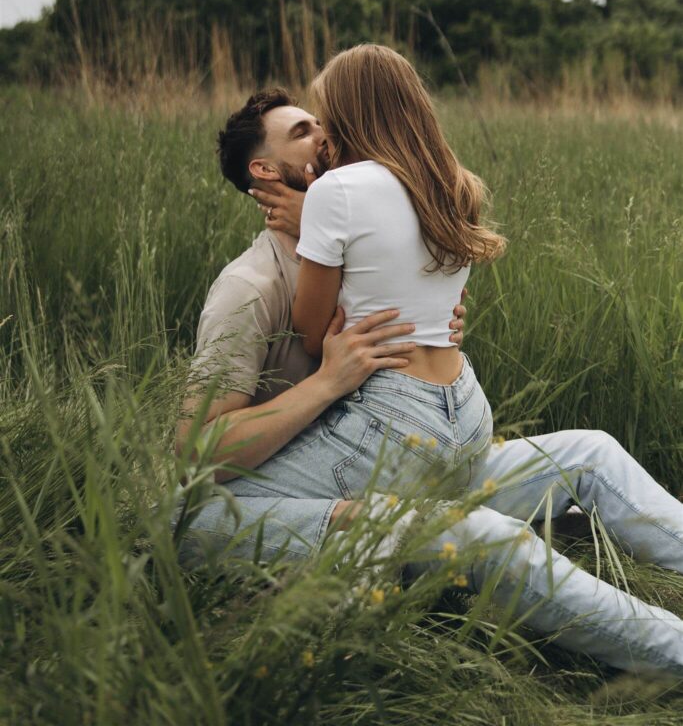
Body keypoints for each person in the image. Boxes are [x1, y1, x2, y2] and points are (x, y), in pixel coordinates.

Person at [174, 61, 683, 678]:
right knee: (187, 517)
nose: (325, 132)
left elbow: (396, 295)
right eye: (304, 130)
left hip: (392, 441)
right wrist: (327, 382)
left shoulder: (355, 209)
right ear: (264, 171)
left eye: (321, 119)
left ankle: (409, 542)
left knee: (590, 454)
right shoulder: (248, 289)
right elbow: (197, 452)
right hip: (366, 456)